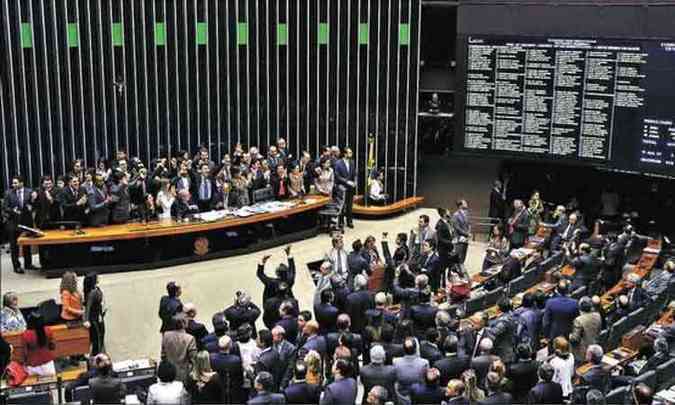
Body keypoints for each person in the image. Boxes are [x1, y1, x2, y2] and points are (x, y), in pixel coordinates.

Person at [2, 175, 36, 273]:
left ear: (21, 183)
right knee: (14, 246)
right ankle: (16, 266)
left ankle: (28, 264)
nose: (13, 185)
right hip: (13, 222)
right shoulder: (8, 193)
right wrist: (13, 210)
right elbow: (5, 207)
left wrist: (31, 206)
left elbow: (33, 204)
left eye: (16, 183)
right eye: (13, 183)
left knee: (26, 244)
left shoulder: (29, 192)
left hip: (26, 222)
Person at [209, 335, 246, 404]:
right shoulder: (235, 360)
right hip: (232, 390)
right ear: (230, 345)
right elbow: (240, 377)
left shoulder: (211, 357)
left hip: (216, 389)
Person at [161, 314, 198, 382]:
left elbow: (163, 356)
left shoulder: (166, 335)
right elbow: (194, 360)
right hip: (184, 375)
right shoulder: (190, 338)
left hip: (168, 373)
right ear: (183, 323)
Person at [569, 297, 601, 362]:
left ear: (580, 308)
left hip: (582, 352)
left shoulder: (579, 320)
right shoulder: (597, 315)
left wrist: (570, 336)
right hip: (595, 345)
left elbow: (575, 339)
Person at [83, 272, 106, 355]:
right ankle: (96, 355)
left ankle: (100, 352)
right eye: (97, 277)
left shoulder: (97, 289)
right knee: (97, 338)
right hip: (94, 319)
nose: (98, 278)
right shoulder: (92, 293)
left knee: (101, 336)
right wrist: (86, 320)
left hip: (99, 315)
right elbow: (88, 306)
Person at [334, 147, 356, 228]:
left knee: (350, 205)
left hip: (351, 187)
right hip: (342, 187)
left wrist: (355, 182)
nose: (351, 154)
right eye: (349, 152)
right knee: (342, 206)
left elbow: (354, 173)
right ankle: (341, 222)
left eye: (351, 152)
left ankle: (349, 221)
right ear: (345, 154)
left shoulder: (352, 162)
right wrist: (347, 182)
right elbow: (337, 176)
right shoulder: (338, 163)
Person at [451, 200, 471, 265]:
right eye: (465, 203)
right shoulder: (455, 215)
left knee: (464, 254)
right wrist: (466, 234)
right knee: (459, 255)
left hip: (466, 238)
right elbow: (457, 227)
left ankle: (461, 267)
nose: (466, 203)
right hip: (459, 238)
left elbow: (468, 224)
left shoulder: (466, 213)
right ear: (460, 205)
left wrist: (469, 232)